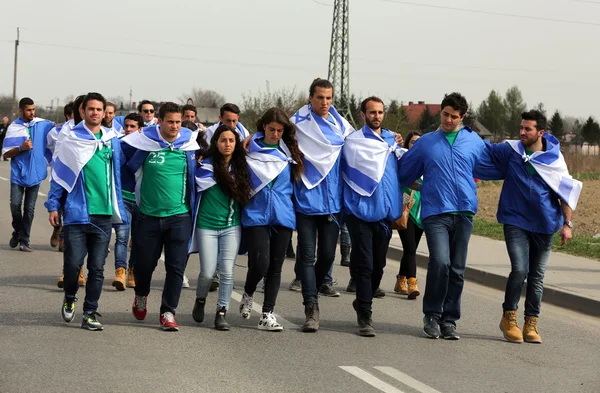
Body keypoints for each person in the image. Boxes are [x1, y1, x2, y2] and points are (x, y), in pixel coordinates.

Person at [474, 110, 580, 344]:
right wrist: (464, 136)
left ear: (541, 132)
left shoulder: (555, 159)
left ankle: (531, 322)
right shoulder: (511, 150)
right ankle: (509, 317)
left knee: (537, 276)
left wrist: (567, 224)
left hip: (544, 223)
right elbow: (484, 150)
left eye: (527, 129)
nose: (522, 132)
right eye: (521, 128)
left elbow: (566, 193)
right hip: (515, 220)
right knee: (520, 269)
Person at [399, 92, 486, 340]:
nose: (448, 120)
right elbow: (404, 171)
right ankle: (432, 315)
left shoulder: (473, 141)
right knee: (440, 262)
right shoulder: (427, 142)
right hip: (435, 212)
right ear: (441, 112)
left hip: (464, 213)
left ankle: (449, 320)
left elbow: (492, 162)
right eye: (446, 114)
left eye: (454, 116)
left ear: (463, 117)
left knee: (457, 269)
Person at [46, 92, 128, 331]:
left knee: (98, 268)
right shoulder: (70, 138)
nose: (94, 113)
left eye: (98, 110)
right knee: (72, 265)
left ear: (104, 113)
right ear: (83, 112)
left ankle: (90, 312)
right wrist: (53, 205)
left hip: (103, 215)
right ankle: (70, 296)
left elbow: (123, 172)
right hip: (76, 213)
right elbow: (58, 176)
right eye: (90, 109)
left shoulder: (113, 140)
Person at [124, 102, 199, 332]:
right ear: (160, 121)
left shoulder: (189, 144)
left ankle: (168, 311)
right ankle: (141, 294)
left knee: (176, 268)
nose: (175, 126)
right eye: (170, 122)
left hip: (180, 216)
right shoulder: (143, 142)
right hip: (147, 216)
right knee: (144, 265)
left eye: (178, 122)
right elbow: (119, 158)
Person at [290, 78, 354, 332]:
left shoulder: (342, 127)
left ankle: (312, 292)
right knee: (307, 256)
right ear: (311, 98)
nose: (325, 102)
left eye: (329, 98)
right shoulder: (297, 125)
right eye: (320, 98)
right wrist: (251, 138)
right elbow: (272, 135)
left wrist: (389, 140)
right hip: (306, 201)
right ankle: (311, 306)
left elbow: (360, 145)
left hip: (332, 205)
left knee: (328, 256)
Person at [238, 108, 304, 331]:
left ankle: (267, 313)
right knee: (260, 263)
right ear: (263, 128)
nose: (275, 134)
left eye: (280, 130)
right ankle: (248, 291)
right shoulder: (248, 151)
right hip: (256, 215)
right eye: (271, 129)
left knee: (276, 267)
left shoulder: (290, 153)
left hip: (283, 215)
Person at [342, 97, 402, 336]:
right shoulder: (353, 142)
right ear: (362, 114)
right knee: (365, 266)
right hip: (359, 212)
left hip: (384, 214)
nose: (377, 116)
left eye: (380, 112)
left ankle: (362, 299)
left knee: (379, 266)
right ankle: (365, 314)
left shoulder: (391, 140)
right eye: (372, 112)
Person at [189, 125, 251, 331]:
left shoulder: (242, 168)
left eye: (232, 140)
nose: (227, 144)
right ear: (216, 142)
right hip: (206, 226)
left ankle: (221, 312)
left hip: (231, 227)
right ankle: (200, 299)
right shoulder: (203, 165)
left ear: (236, 144)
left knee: (227, 272)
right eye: (223, 140)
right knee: (207, 272)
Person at [2, 97, 55, 252]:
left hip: (36, 173)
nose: (32, 113)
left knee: (30, 209)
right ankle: (17, 230)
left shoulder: (42, 124)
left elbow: (60, 130)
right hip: (18, 174)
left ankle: (25, 240)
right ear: (21, 110)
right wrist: (21, 148)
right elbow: (6, 154)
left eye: (33, 109)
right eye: (29, 110)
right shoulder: (14, 127)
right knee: (15, 205)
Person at [111, 113, 144, 291]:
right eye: (127, 126)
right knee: (122, 237)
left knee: (138, 240)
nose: (129, 129)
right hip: (123, 197)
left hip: (142, 200)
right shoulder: (118, 145)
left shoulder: (149, 147)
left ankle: (132, 271)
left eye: (133, 126)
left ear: (140, 129)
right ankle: (120, 271)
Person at [394, 131, 423, 299]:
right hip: (406, 208)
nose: (416, 145)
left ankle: (401, 279)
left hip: (422, 210)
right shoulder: (403, 160)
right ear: (407, 145)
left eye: (419, 142)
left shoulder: (427, 161)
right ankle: (412, 282)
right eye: (412, 142)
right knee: (410, 247)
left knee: (410, 249)